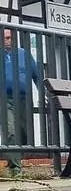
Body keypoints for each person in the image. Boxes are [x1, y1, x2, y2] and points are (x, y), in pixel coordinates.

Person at [2, 27, 42, 176]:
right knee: (10, 131)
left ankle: (14, 159)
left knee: (23, 134)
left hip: (24, 99)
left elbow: (37, 75)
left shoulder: (23, 54)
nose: (8, 40)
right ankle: (15, 170)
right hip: (4, 99)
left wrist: (42, 94)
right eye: (5, 38)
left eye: (10, 37)